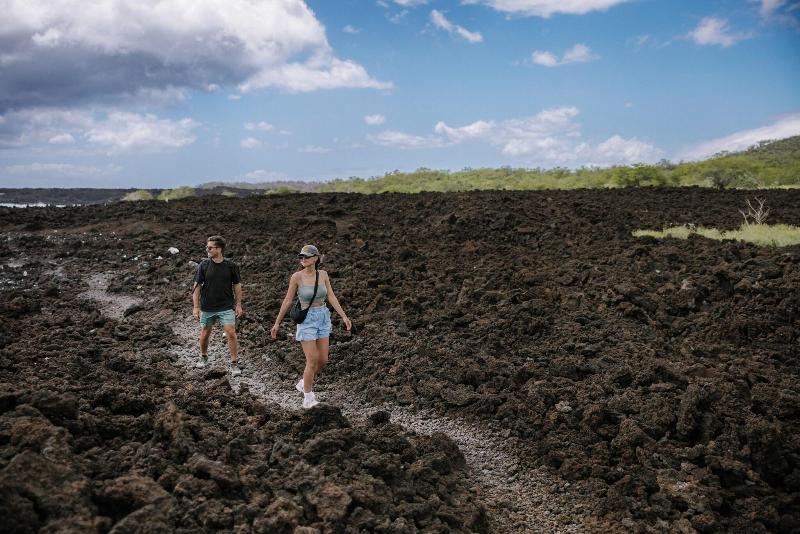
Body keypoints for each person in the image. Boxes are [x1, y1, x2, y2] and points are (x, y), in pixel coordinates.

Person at [271, 244, 352, 409]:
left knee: (323, 360)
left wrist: (343, 316)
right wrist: (277, 322)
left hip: (323, 317)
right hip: (307, 320)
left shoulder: (323, 275)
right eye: (301, 257)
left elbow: (331, 295)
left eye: (306, 256)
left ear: (316, 258)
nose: (303, 259)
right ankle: (308, 397)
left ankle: (303, 382)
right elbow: (288, 300)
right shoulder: (297, 277)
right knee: (312, 359)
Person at [192, 235, 243, 376]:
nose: (207, 250)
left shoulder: (231, 266)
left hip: (226, 306)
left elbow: (237, 286)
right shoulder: (203, 265)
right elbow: (196, 287)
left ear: (219, 249)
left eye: (210, 247)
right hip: (207, 307)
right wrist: (196, 307)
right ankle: (203, 356)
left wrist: (238, 305)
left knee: (231, 332)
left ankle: (234, 363)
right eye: (207, 247)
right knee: (205, 334)